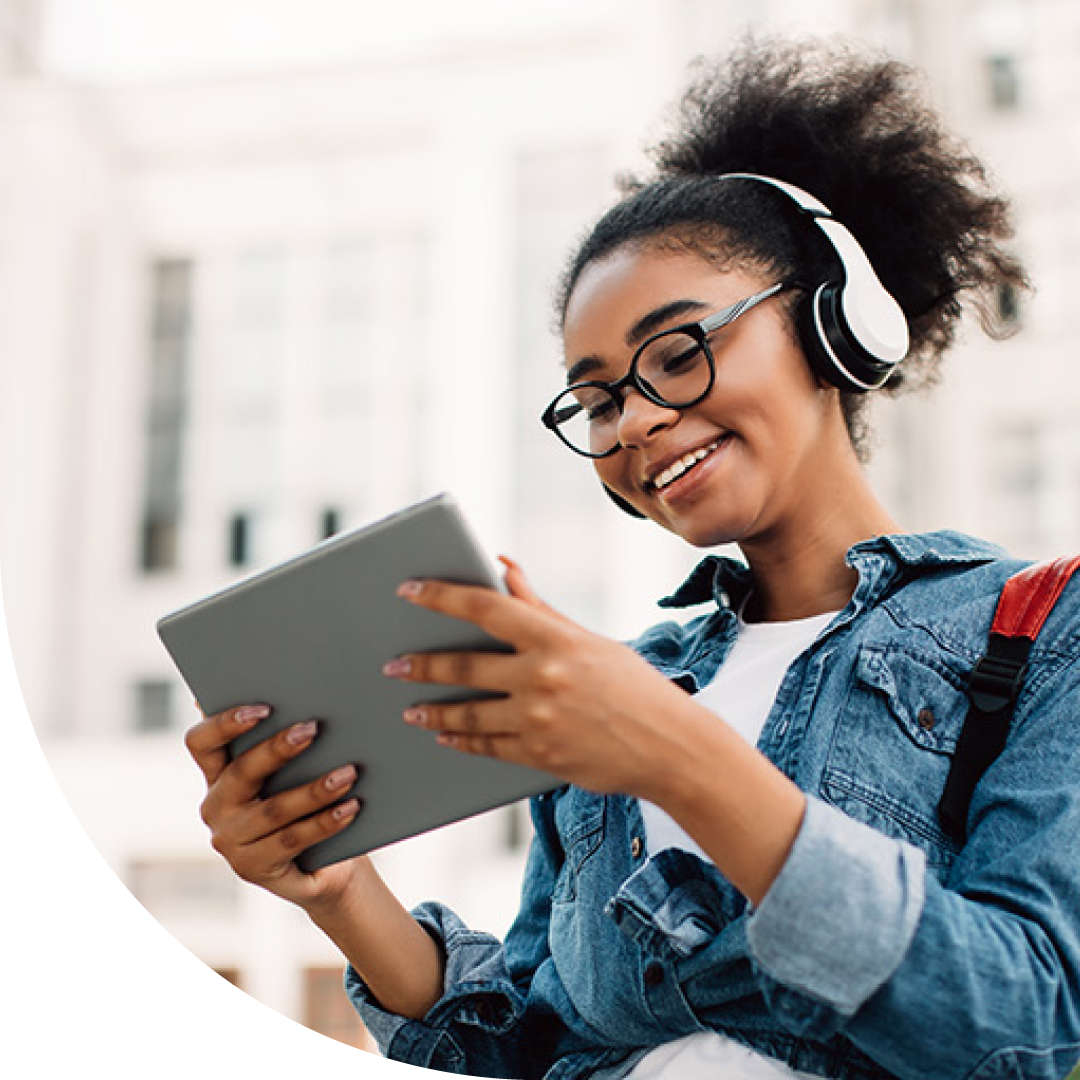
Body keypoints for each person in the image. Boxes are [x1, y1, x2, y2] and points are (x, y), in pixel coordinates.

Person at [184, 37, 1080, 1080]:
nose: (639, 421)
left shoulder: (1038, 630)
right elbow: (524, 1046)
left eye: (677, 352)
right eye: (600, 399)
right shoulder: (622, 686)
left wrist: (677, 756)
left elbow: (1026, 1021)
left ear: (835, 326)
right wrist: (339, 892)